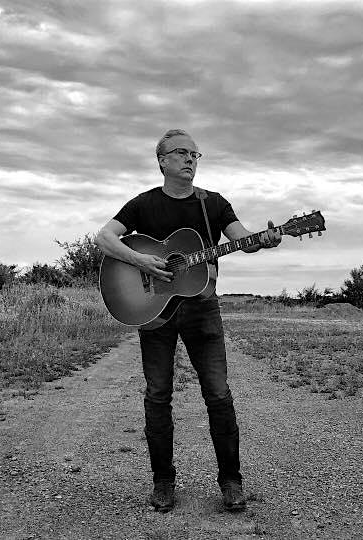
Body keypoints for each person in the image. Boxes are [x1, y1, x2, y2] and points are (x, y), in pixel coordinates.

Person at [95, 129, 281, 513]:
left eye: (196, 154)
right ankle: (163, 482)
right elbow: (105, 237)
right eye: (182, 153)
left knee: (218, 394)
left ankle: (231, 481)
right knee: (158, 396)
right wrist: (141, 260)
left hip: (203, 311)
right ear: (162, 160)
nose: (191, 159)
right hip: (155, 314)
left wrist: (264, 239)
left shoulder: (212, 204)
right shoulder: (143, 204)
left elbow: (240, 237)